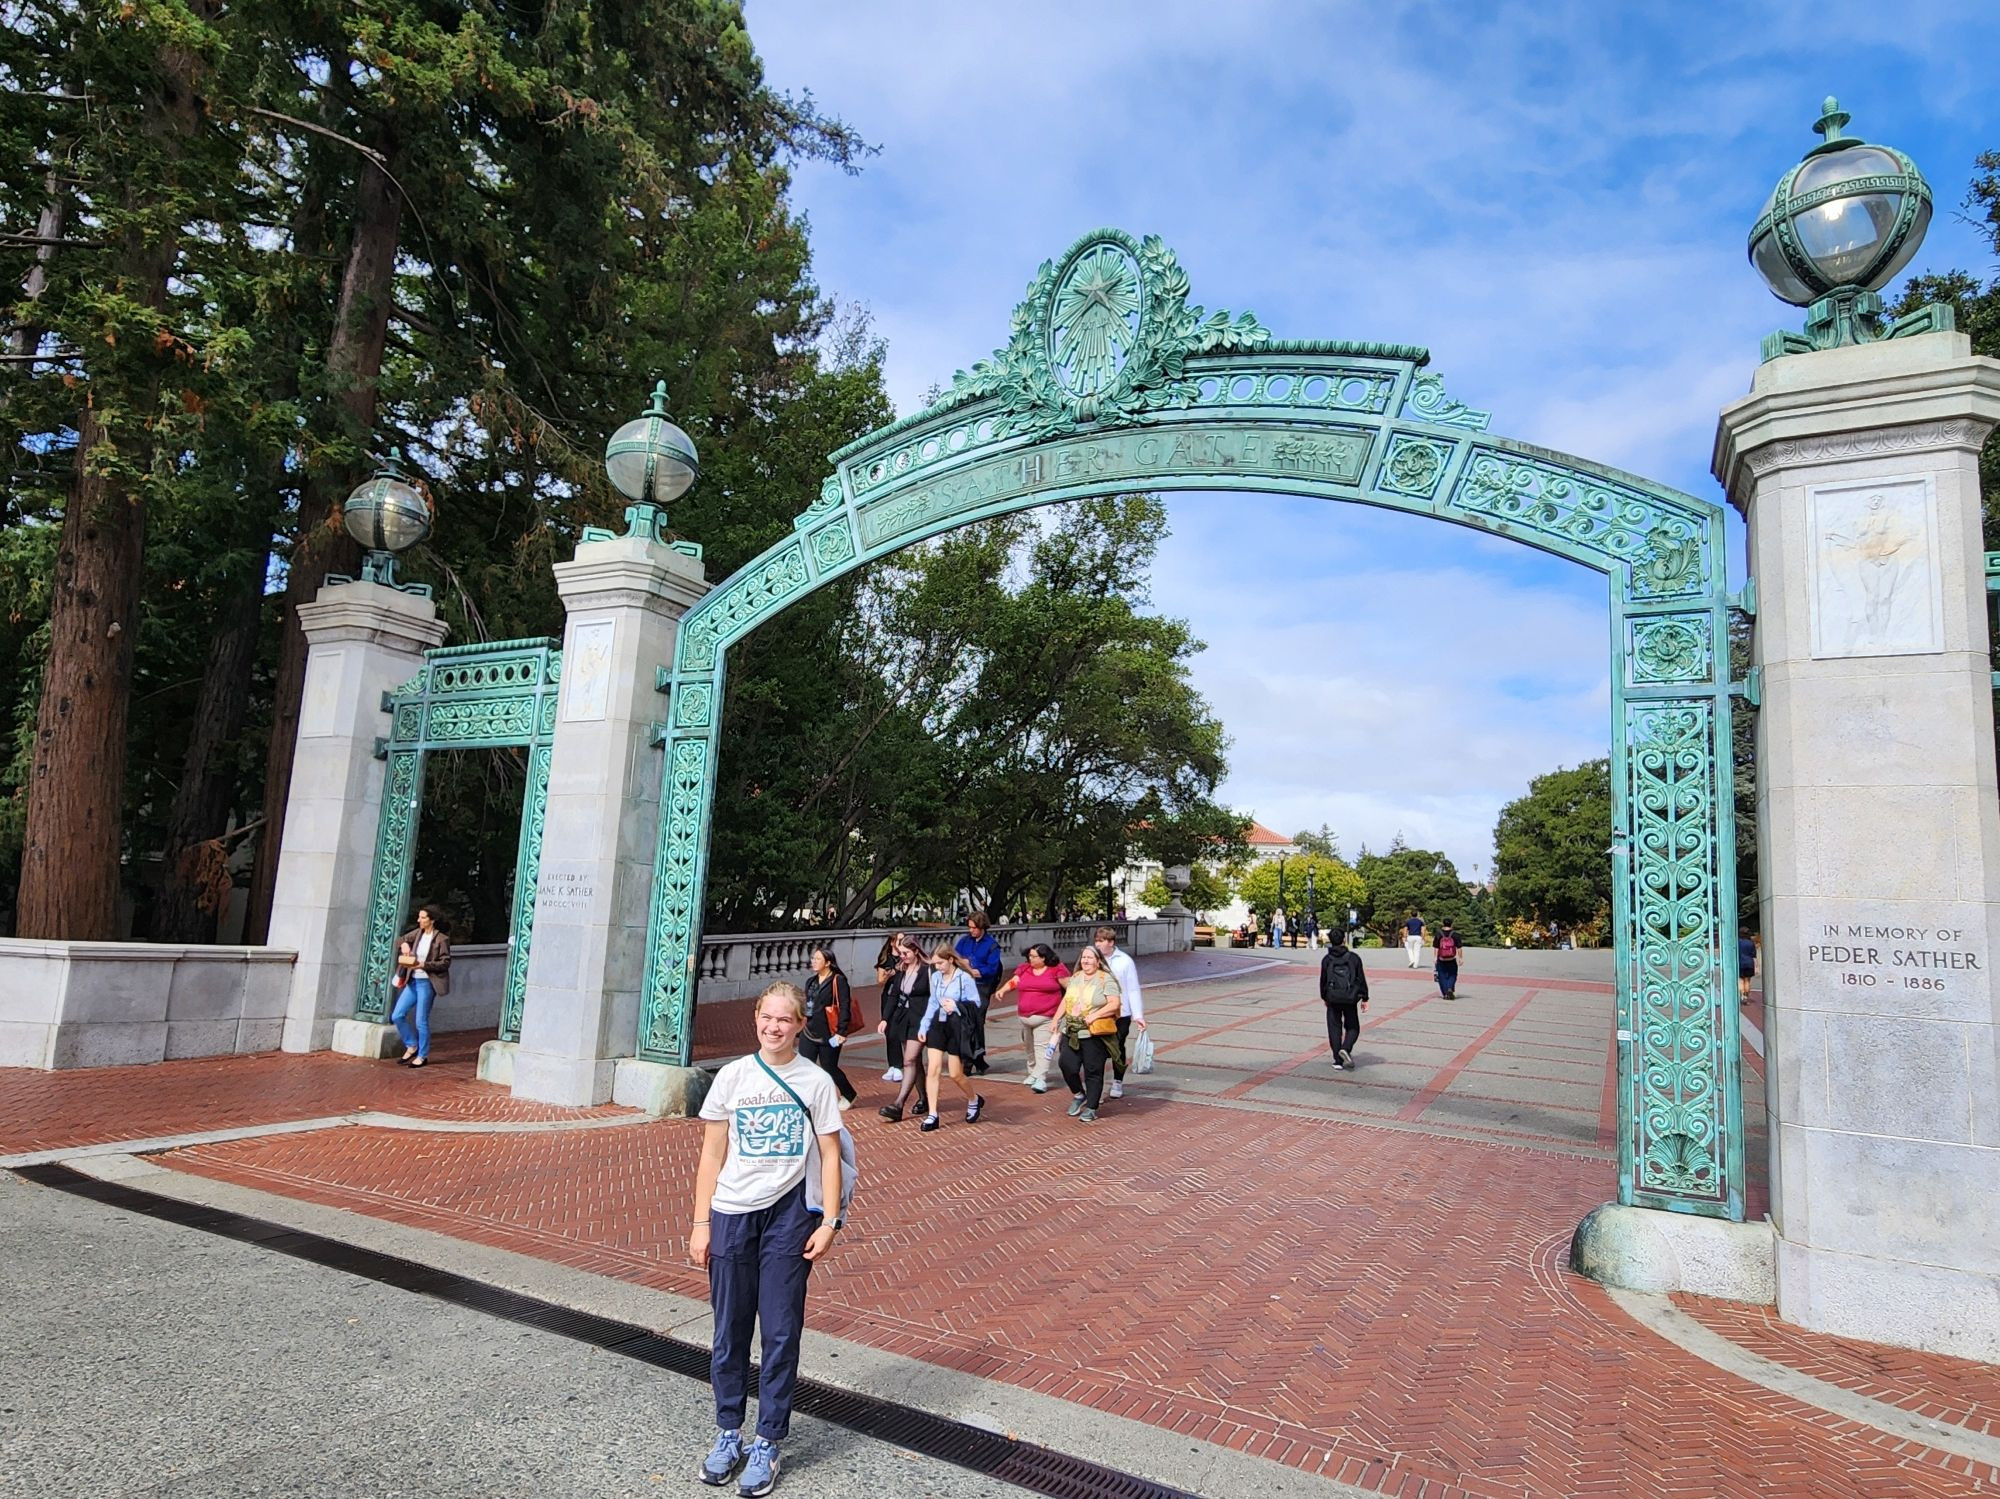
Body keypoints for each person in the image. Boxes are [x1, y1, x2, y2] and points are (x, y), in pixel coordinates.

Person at [690, 982, 844, 1495]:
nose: (774, 1027)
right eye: (767, 1017)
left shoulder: (816, 1082)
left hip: (790, 1216)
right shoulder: (731, 1077)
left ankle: (768, 1440)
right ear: (755, 1018)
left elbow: (828, 1155)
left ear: (801, 1024)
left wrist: (828, 1222)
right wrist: (700, 1222)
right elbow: (712, 1154)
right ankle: (728, 1431)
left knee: (780, 1332)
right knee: (729, 1330)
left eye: (785, 1020)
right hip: (732, 1212)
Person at [1048, 944, 1122, 1122]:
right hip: (1071, 1030)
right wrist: (1056, 1018)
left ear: (1098, 961)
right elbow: (1067, 999)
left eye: (1090, 957)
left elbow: (1114, 1004)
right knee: (1067, 1065)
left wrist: (1095, 1015)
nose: (1086, 961)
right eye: (1083, 958)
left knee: (1093, 1071)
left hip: (1093, 1033)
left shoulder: (1106, 979)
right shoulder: (1076, 977)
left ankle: (1091, 1107)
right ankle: (1079, 1094)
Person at [915, 945, 984, 1131]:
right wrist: (924, 1025)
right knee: (933, 1069)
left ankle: (973, 1099)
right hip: (938, 1025)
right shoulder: (936, 977)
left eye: (940, 963)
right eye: (935, 963)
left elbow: (976, 1004)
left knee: (955, 1074)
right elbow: (932, 1002)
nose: (937, 967)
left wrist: (956, 1005)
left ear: (951, 960)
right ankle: (933, 1114)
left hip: (956, 1027)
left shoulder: (965, 978)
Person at [991, 942, 1069, 1093]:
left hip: (1046, 1016)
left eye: (1034, 957)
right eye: (1030, 956)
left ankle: (1041, 1078)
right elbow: (1014, 981)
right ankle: (1033, 1072)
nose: (1031, 959)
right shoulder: (1025, 968)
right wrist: (1003, 990)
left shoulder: (1057, 969)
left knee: (1042, 1048)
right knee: (1029, 1047)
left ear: (1044, 958)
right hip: (1025, 1017)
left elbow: (1070, 988)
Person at [876, 937, 930, 1121]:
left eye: (906, 953)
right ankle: (924, 1098)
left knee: (909, 1060)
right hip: (903, 1018)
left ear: (915, 951)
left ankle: (898, 1104)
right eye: (901, 953)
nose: (903, 957)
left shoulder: (927, 970)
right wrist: (885, 1019)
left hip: (921, 1020)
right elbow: (893, 996)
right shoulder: (901, 970)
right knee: (914, 1061)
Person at [392, 905, 451, 1067]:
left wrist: (424, 965)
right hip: (412, 981)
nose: (419, 920)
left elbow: (445, 963)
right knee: (397, 1015)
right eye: (419, 917)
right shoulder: (417, 933)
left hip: (427, 983)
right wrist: (403, 944)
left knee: (421, 1021)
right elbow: (400, 939)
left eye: (423, 918)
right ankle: (411, 1045)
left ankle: (422, 1055)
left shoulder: (441, 939)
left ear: (431, 920)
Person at [1092, 925, 1147, 1100]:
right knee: (1096, 1049)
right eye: (1096, 941)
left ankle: (1117, 1080)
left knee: (1116, 1047)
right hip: (1098, 1011)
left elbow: (1132, 989)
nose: (1098, 944)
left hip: (1121, 1012)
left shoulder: (1124, 961)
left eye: (1101, 941)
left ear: (1111, 942)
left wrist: (1138, 1015)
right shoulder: (1092, 959)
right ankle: (1096, 1085)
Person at [800, 945, 859, 1109]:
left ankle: (849, 1094)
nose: (813, 962)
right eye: (813, 958)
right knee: (805, 1065)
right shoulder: (810, 981)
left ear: (828, 963)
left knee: (829, 1067)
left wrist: (842, 1031)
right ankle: (809, 1098)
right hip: (809, 1030)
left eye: (818, 959)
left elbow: (844, 1005)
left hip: (830, 1032)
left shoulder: (838, 980)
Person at [954, 911, 1003, 1076]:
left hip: (981, 986)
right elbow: (954, 957)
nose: (971, 931)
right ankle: (976, 1058)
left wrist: (973, 968)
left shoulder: (991, 945)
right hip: (963, 985)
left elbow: (992, 968)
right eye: (969, 928)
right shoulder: (964, 941)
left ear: (982, 927)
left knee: (975, 1021)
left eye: (974, 928)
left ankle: (971, 1060)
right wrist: (962, 964)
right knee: (965, 1022)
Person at [1319, 929, 1370, 1070]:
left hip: (1332, 997)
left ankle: (1337, 1060)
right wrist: (1365, 997)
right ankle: (1346, 1049)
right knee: (1353, 1027)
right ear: (1344, 940)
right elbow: (1361, 978)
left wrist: (1324, 996)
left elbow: (1323, 980)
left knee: (1334, 1027)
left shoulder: (1327, 960)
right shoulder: (1353, 958)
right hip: (1350, 996)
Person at [871, 932, 909, 1082]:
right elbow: (880, 981)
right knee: (889, 1031)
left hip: (903, 997)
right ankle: (893, 1065)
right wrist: (888, 974)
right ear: (893, 942)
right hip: (889, 995)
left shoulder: (906, 957)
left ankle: (900, 1065)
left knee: (897, 1031)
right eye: (899, 941)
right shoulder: (885, 958)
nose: (902, 944)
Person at [1434, 920, 1462, 1001]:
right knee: (1452, 975)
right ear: (1451, 924)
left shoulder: (1438, 934)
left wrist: (1435, 957)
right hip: (1451, 958)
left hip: (1441, 958)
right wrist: (1460, 958)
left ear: (1443, 924)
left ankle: (1445, 992)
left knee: (1441, 976)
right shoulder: (1455, 934)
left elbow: (1436, 947)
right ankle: (1450, 987)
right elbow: (1459, 947)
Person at [1738, 928, 1758, 1003]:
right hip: (1749, 963)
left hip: (1740, 962)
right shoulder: (1751, 943)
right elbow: (1754, 955)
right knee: (1747, 981)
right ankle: (1746, 996)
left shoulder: (1738, 942)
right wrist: (1757, 966)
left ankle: (1742, 996)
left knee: (1740, 980)